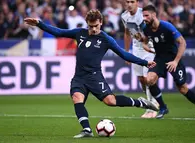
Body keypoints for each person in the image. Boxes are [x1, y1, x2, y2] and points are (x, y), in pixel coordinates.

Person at [24, 9, 158, 138]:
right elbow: (59, 32)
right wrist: (39, 24)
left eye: (95, 26)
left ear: (101, 22)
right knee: (77, 98)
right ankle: (87, 129)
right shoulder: (80, 33)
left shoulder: (106, 39)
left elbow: (124, 54)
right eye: (90, 26)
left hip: (94, 76)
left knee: (111, 101)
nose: (93, 29)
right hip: (79, 77)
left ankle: (140, 103)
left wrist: (144, 63)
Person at [140, 5, 195, 119]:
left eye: (146, 15)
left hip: (173, 58)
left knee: (182, 88)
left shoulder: (167, 26)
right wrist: (146, 47)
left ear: (154, 15)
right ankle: (163, 107)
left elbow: (183, 43)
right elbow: (144, 41)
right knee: (149, 80)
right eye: (143, 16)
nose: (144, 18)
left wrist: (175, 61)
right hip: (159, 58)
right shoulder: (146, 28)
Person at [121, 0, 159, 118]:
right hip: (137, 49)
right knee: (141, 79)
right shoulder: (124, 16)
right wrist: (126, 52)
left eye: (132, 1)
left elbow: (155, 28)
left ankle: (152, 107)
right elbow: (127, 33)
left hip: (149, 47)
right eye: (127, 2)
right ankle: (151, 99)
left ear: (137, 2)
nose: (129, 4)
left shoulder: (144, 13)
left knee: (148, 77)